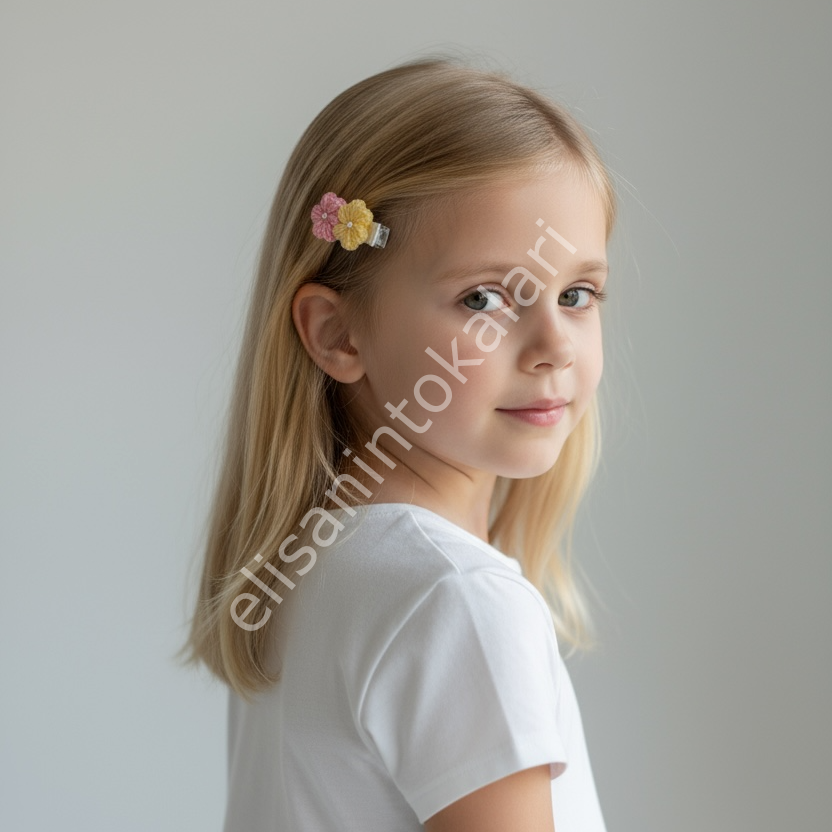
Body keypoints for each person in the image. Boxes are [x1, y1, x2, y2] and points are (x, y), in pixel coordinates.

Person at [177, 53, 617, 831]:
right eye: (483, 299)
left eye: (576, 293)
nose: (554, 344)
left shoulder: (303, 572)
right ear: (337, 333)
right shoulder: (455, 599)